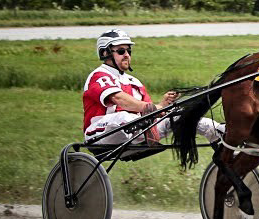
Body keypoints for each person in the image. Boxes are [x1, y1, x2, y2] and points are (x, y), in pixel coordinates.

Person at [83, 29, 223, 146]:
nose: (126, 55)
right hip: (100, 134)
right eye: (120, 51)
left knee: (185, 116)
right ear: (105, 53)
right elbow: (120, 99)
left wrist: (163, 105)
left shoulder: (134, 81)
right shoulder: (99, 76)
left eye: (128, 51)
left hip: (135, 132)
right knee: (124, 117)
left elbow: (151, 111)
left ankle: (225, 136)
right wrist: (155, 108)